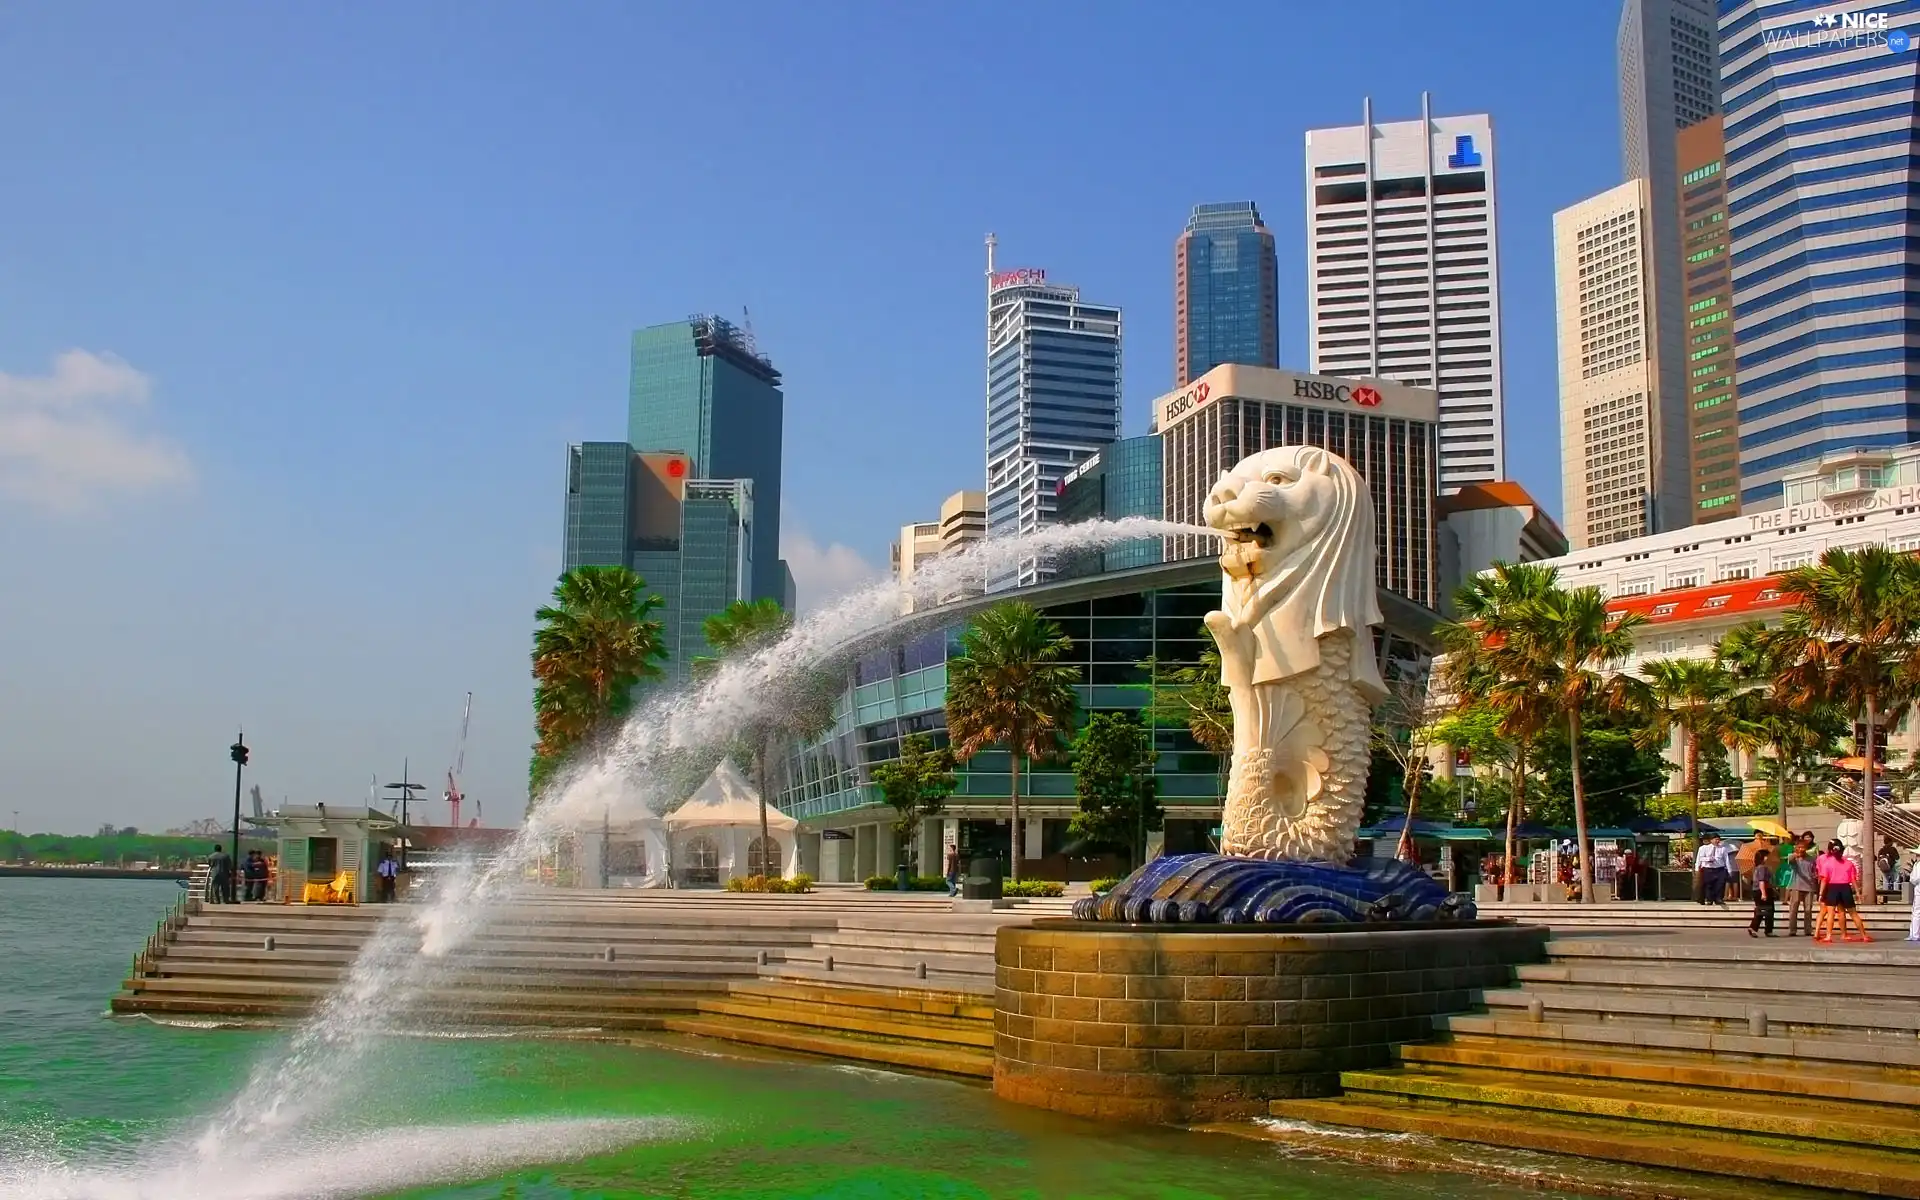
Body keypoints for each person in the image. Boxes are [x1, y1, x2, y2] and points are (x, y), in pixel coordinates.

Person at [1816, 838, 1872, 944]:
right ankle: (1863, 935)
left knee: (1831, 913)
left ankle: (1828, 936)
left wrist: (1820, 894)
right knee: (1853, 913)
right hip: (1845, 888)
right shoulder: (1848, 863)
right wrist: (1858, 893)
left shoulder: (1827, 864)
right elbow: (1853, 880)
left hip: (1833, 888)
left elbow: (1824, 880)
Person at [1785, 836, 1819, 937]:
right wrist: (1796, 853)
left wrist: (1815, 876)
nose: (1801, 849)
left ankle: (1808, 929)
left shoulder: (1811, 859)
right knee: (1793, 909)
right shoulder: (1794, 858)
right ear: (1796, 847)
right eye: (1799, 847)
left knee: (1808, 909)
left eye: (1803, 847)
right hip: (1796, 886)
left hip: (1809, 887)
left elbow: (1814, 870)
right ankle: (1792, 929)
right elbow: (1789, 859)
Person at [1696, 832, 1731, 908]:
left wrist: (1729, 870)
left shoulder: (1723, 849)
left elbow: (1726, 859)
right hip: (1708, 869)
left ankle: (1718, 899)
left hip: (1720, 869)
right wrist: (1708, 859)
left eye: (1718, 839)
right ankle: (1709, 899)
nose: (1717, 841)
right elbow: (1700, 858)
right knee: (1709, 885)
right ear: (1711, 840)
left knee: (1720, 884)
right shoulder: (1703, 848)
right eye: (1716, 839)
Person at [1749, 848, 1777, 937]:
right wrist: (1764, 893)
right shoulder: (1763, 868)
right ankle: (1766, 930)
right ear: (1763, 858)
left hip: (1758, 890)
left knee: (1762, 910)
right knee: (1768, 910)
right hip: (1762, 890)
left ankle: (1754, 928)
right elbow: (1762, 881)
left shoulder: (1758, 867)